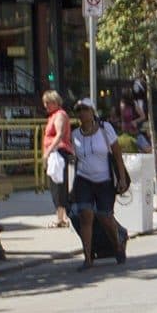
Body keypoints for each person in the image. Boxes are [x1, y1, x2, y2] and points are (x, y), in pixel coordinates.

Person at [69, 98, 129, 270]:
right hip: (84, 179)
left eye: (85, 109)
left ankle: (117, 244)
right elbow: (77, 161)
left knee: (104, 216)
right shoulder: (75, 135)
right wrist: (73, 186)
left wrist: (122, 178)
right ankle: (88, 258)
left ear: (92, 111)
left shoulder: (105, 129)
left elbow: (117, 154)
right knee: (85, 215)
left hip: (104, 179)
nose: (82, 113)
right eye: (78, 110)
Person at [40, 90, 73, 229]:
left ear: (55, 102)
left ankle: (61, 218)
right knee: (56, 185)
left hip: (58, 153)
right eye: (44, 103)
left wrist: (48, 152)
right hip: (55, 153)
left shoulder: (60, 115)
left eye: (48, 103)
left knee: (59, 186)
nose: (45, 106)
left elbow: (59, 135)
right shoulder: (54, 115)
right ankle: (61, 217)